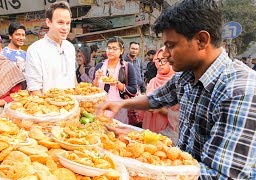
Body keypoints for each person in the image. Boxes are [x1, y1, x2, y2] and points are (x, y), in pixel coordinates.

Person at [97, 0, 256, 179]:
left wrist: (147, 167)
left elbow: (221, 175)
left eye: (171, 45)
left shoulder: (240, 92)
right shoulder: (185, 76)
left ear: (201, 40)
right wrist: (120, 105)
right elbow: (154, 99)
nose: (164, 53)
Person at [25, 1, 76, 96]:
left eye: (68, 23)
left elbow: (72, 79)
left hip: (72, 107)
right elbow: (34, 90)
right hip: (49, 108)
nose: (65, 27)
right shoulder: (35, 50)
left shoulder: (70, 47)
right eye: (60, 22)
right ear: (48, 22)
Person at [139, 47, 179, 145]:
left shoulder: (179, 83)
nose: (160, 64)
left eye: (164, 60)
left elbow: (183, 116)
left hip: (167, 131)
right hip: (149, 125)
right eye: (158, 60)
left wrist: (161, 110)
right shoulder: (153, 81)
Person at [93, 36, 137, 124]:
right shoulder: (100, 66)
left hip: (119, 109)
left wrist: (117, 84)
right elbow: (93, 89)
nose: (110, 51)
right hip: (101, 106)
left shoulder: (127, 67)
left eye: (114, 49)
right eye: (108, 48)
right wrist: (97, 78)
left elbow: (133, 91)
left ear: (121, 51)